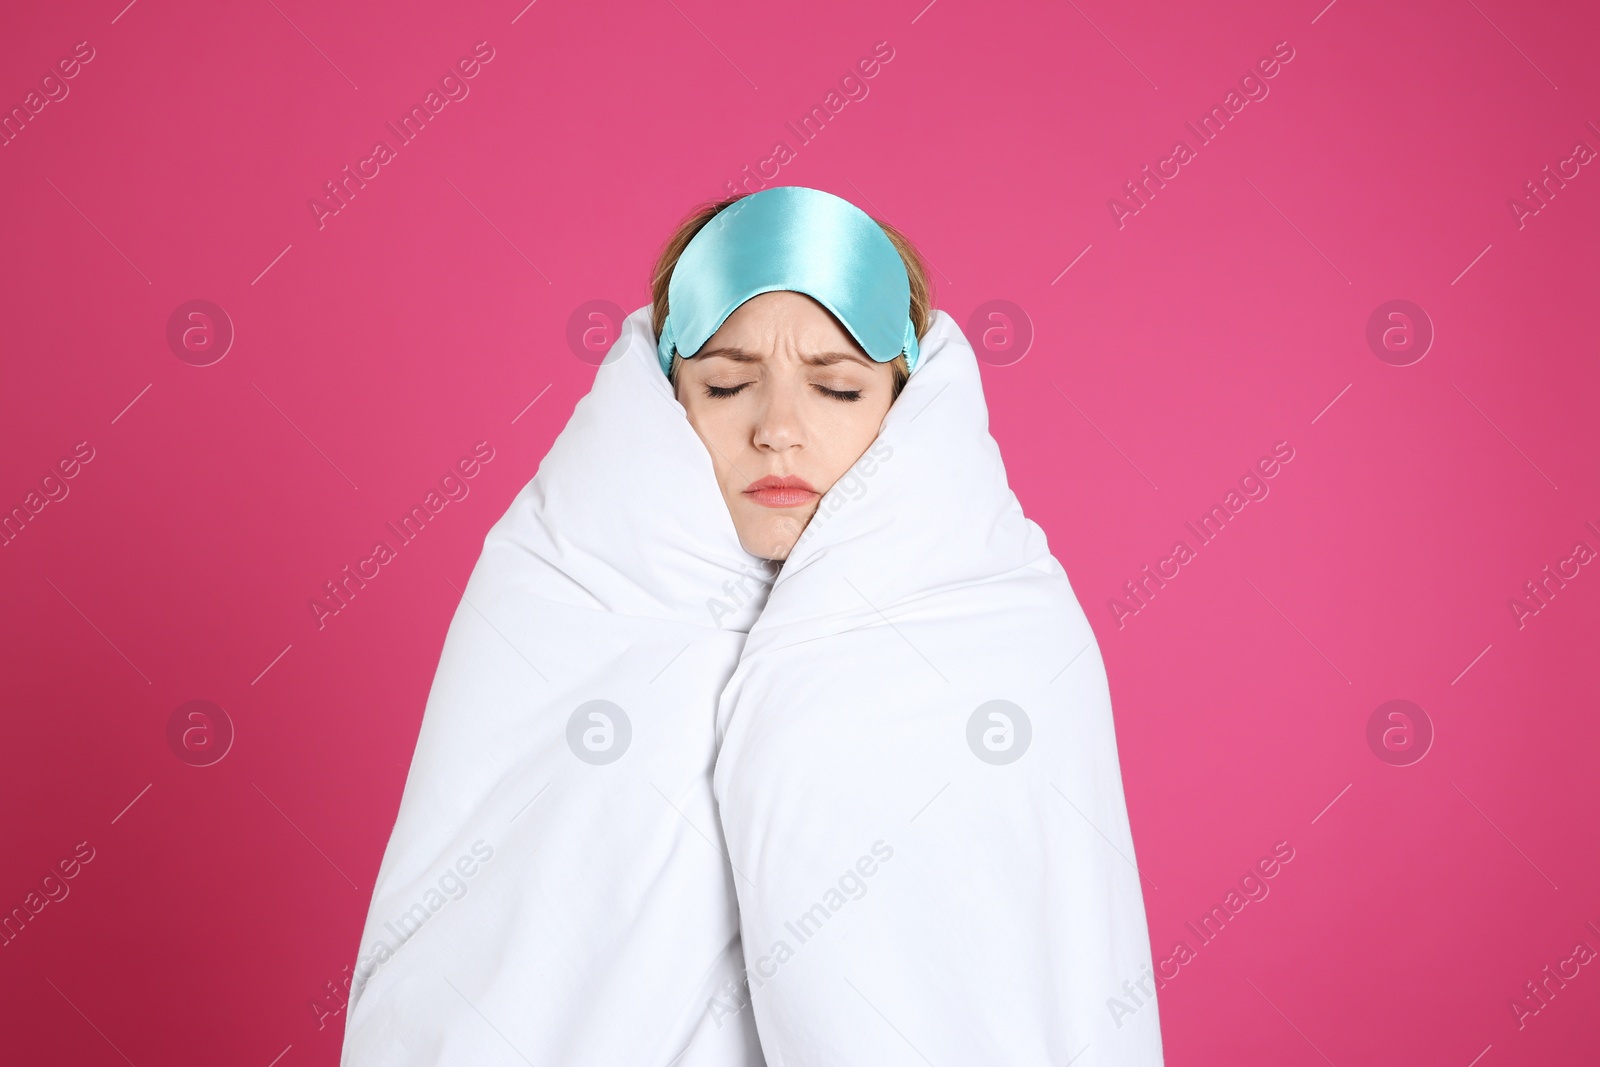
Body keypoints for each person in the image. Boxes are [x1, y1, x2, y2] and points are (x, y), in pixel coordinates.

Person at [340, 185, 1164, 1066]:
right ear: (667, 393)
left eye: (837, 388)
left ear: (904, 401)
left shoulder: (1008, 630)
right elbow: (478, 976)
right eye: (728, 383)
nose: (779, 429)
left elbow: (1041, 977)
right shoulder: (554, 601)